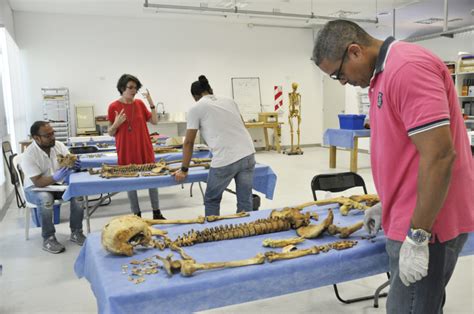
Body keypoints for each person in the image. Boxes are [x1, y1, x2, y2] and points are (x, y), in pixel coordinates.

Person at [312, 20, 474, 313]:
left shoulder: (406, 69)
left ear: (355, 52)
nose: (342, 82)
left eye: (339, 74)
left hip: (428, 222)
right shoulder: (381, 77)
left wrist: (418, 236)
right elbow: (405, 151)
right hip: (410, 213)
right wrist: (387, 204)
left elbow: (439, 156)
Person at [174, 75, 256, 216]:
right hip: (248, 153)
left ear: (195, 96)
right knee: (245, 199)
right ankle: (246, 232)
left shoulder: (196, 108)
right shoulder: (229, 100)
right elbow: (242, 125)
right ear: (210, 89)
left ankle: (212, 232)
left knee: (212, 199)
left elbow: (188, 142)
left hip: (226, 158)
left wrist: (184, 169)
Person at [22, 121, 86, 254]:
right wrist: (55, 177)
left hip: (56, 186)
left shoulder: (58, 146)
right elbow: (38, 182)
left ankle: (76, 232)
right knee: (45, 198)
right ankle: (48, 238)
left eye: (53, 133)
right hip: (34, 188)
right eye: (47, 135)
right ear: (36, 138)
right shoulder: (29, 154)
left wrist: (74, 165)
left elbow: (68, 162)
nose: (52, 137)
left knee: (78, 194)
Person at [107, 74, 165, 220]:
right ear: (122, 88)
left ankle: (156, 212)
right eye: (130, 87)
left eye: (136, 88)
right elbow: (110, 132)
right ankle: (136, 214)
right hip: (126, 149)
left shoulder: (139, 103)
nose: (134, 91)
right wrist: (117, 123)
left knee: (152, 177)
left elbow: (155, 121)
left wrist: (151, 102)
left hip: (144, 146)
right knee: (131, 181)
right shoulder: (113, 106)